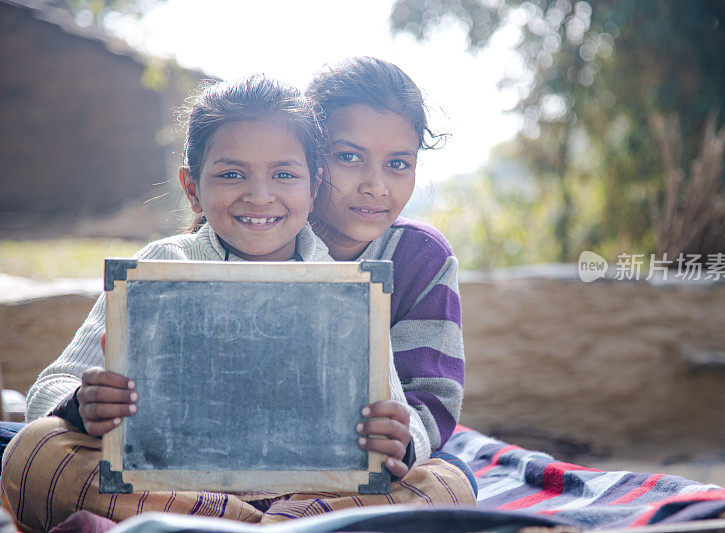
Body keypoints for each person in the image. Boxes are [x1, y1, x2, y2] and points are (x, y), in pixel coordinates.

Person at [1, 74, 475, 532]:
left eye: (284, 174)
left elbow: (391, 408)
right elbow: (50, 386)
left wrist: (395, 435)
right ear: (192, 189)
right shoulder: (160, 265)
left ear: (315, 186)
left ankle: (205, 528)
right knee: (33, 451)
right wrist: (83, 405)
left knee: (449, 485)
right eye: (231, 174)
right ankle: (277, 530)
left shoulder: (347, 286)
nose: (259, 195)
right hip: (175, 482)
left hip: (312, 490)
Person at [307, 58, 466, 464]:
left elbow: (432, 396)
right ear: (308, 155)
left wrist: (402, 437)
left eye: (398, 164)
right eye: (348, 157)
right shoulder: (267, 237)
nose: (376, 187)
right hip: (254, 454)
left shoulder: (422, 259)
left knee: (450, 478)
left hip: (366, 461)